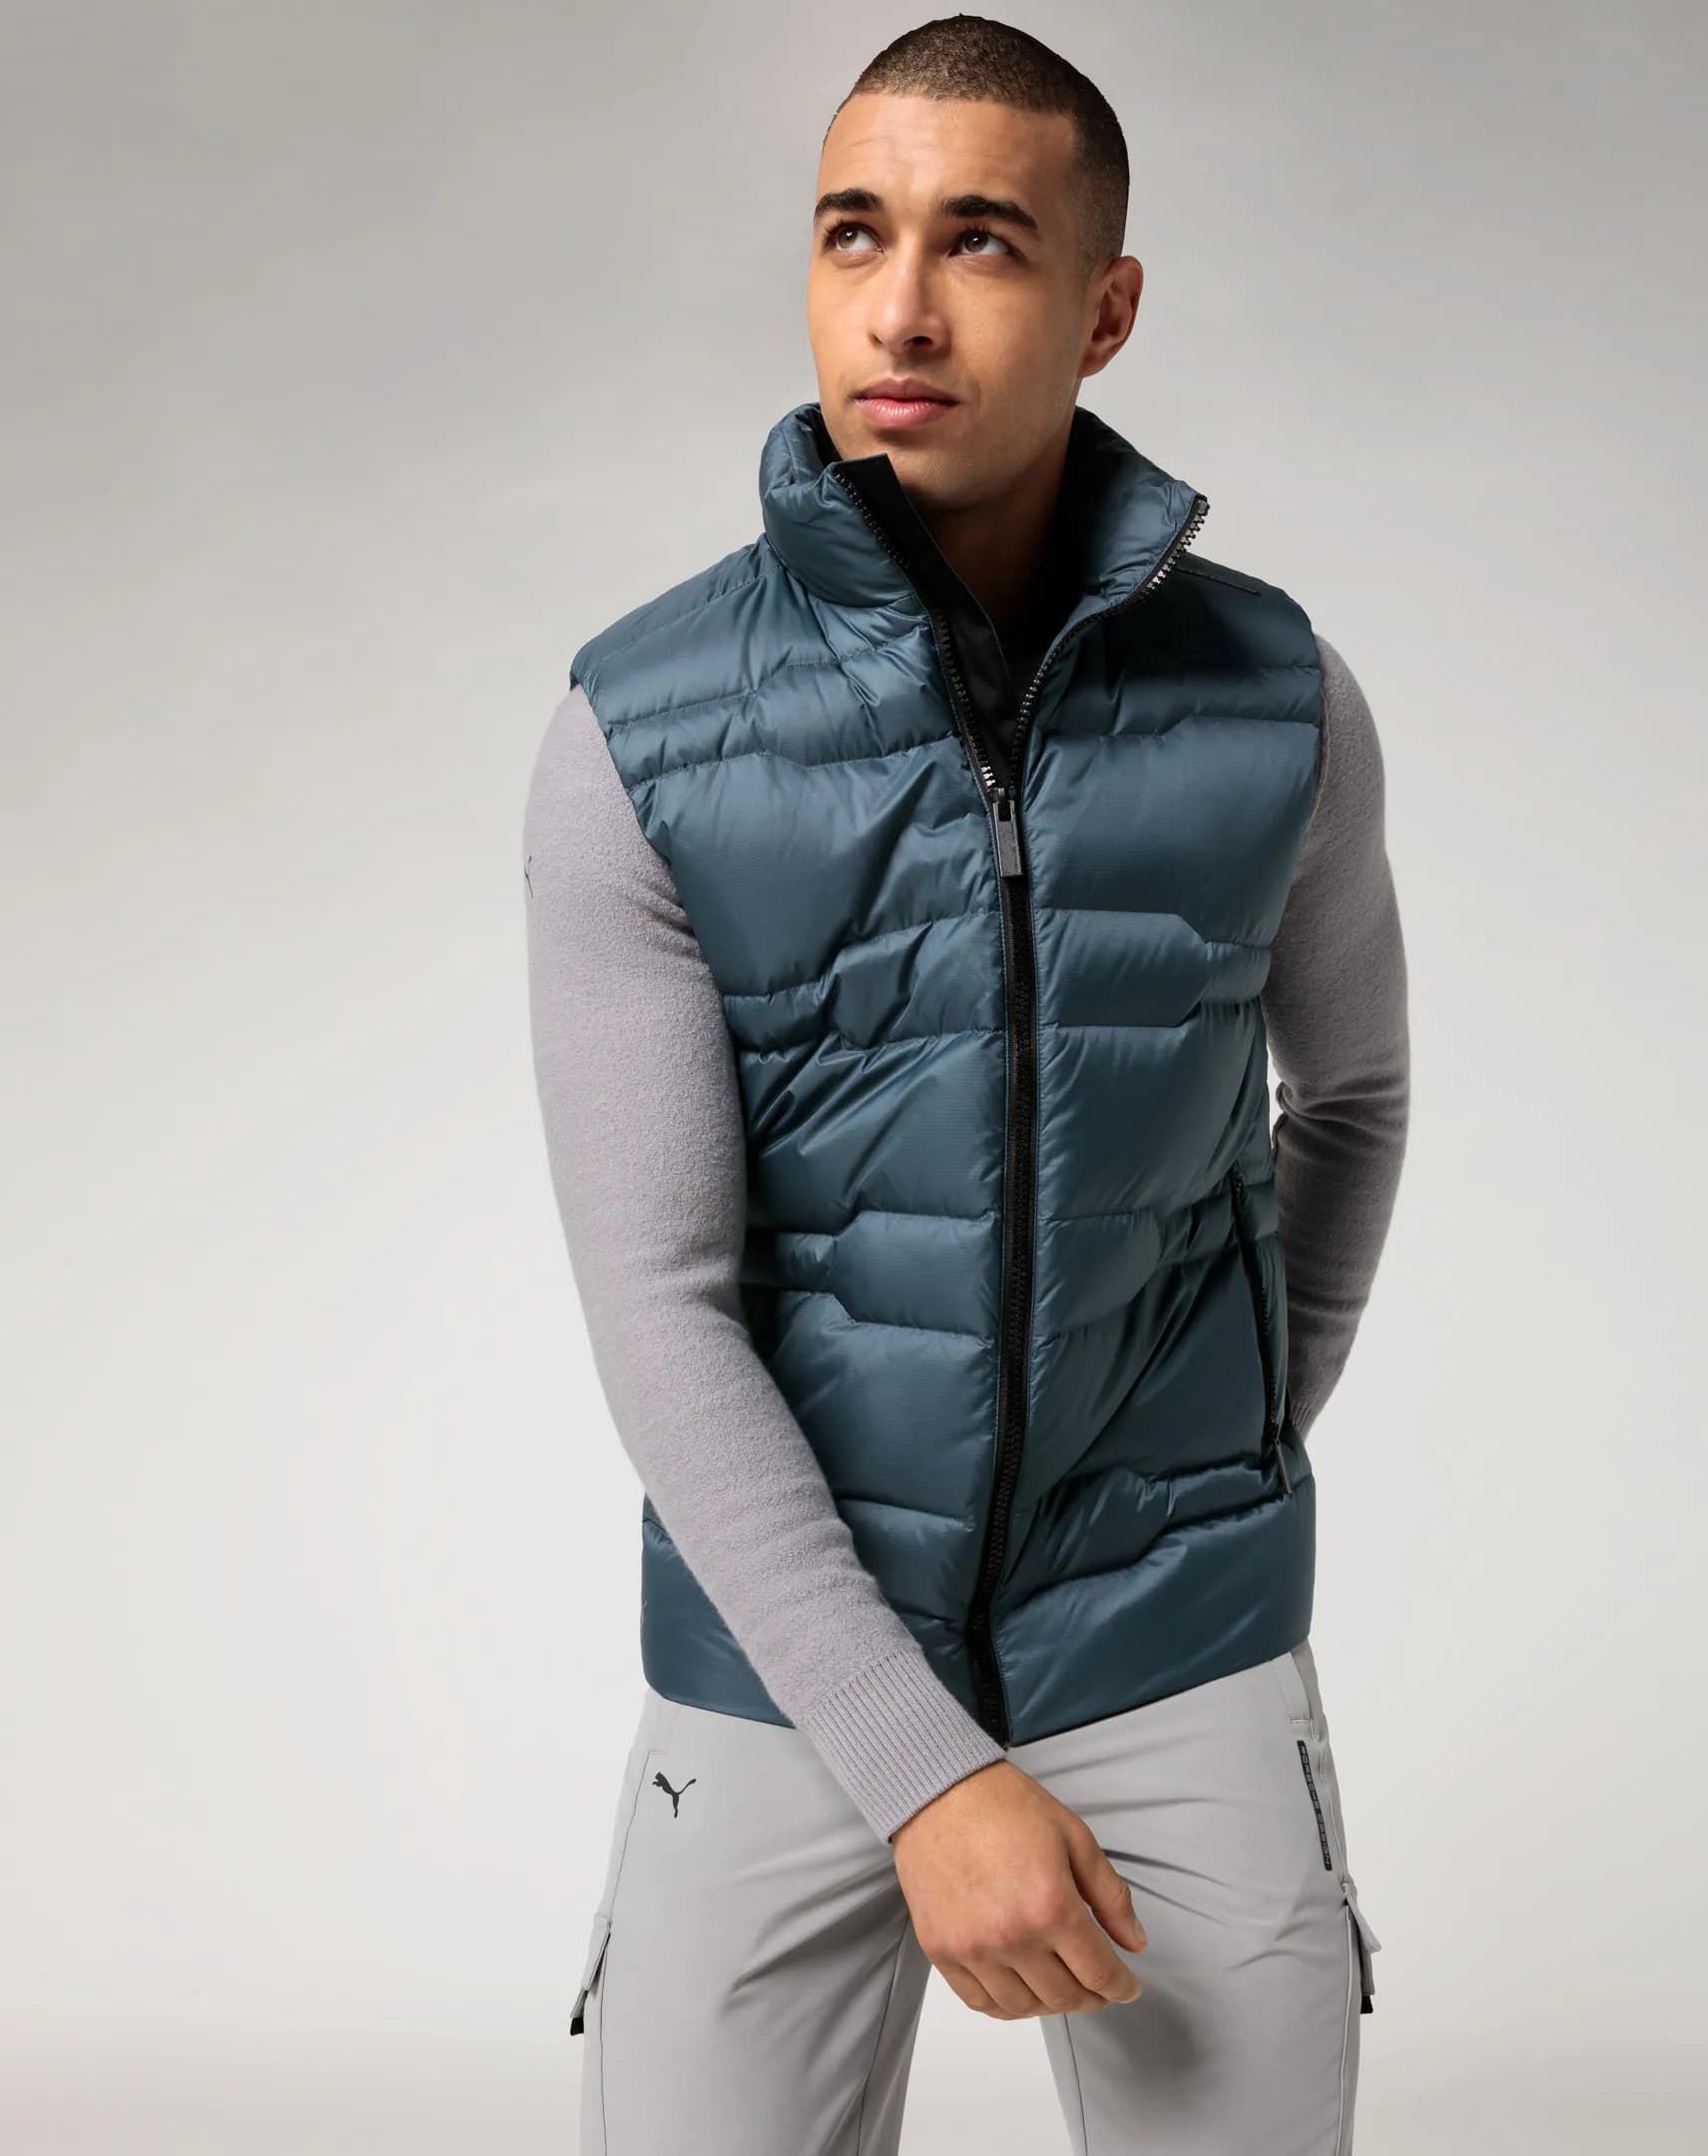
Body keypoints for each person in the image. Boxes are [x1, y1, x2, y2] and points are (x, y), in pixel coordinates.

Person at [522, 16, 1410, 2154]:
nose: (900, 309)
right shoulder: (640, 733)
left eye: (981, 242)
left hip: (1178, 1639)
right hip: (784, 1663)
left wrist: (1211, 1455)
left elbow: (1354, 1101)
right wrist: (927, 1772)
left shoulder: (1277, 699)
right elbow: (661, 1309)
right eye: (855, 234)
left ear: (1106, 308)